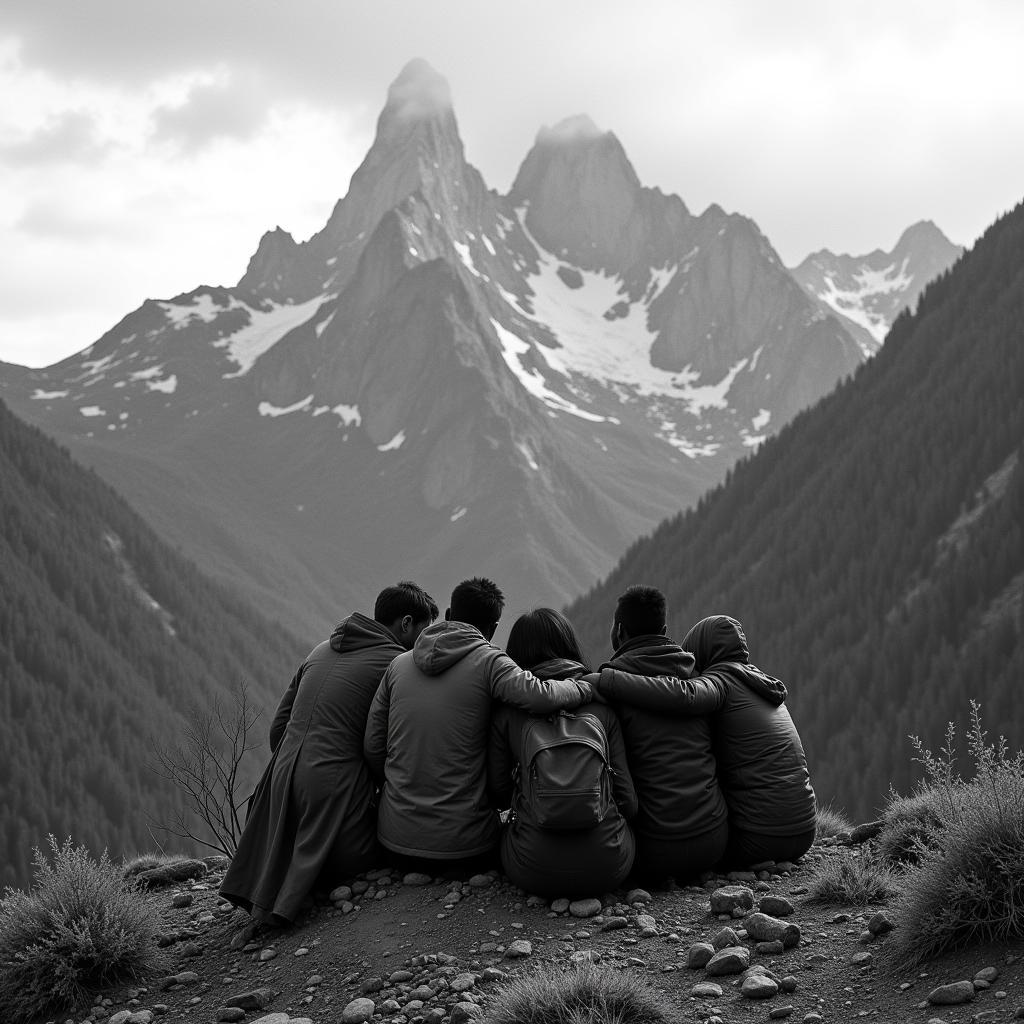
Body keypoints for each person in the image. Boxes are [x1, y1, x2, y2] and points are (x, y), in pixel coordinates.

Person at [219, 581, 439, 925]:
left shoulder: (320, 650)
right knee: (364, 857)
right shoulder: (396, 663)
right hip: (333, 781)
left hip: (280, 776)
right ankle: (292, 900)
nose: (425, 639)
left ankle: (269, 892)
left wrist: (296, 765)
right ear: (407, 623)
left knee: (294, 842)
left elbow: (279, 726)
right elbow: (383, 742)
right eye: (425, 629)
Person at [363, 578, 594, 871]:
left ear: (448, 614)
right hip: (465, 849)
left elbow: (373, 746)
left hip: (394, 843)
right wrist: (583, 688)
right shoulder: (490, 662)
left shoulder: (398, 665)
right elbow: (540, 696)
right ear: (493, 629)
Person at [489, 608, 638, 897]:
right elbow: (628, 800)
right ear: (569, 644)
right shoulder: (602, 705)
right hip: (608, 867)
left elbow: (497, 793)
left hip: (532, 868)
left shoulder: (507, 712)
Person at [592, 585, 729, 881]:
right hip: (713, 841)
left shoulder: (608, 689)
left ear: (618, 631)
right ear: (665, 629)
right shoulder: (697, 678)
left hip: (652, 850)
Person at [682, 614, 816, 866]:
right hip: (805, 830)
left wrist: (610, 680)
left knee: (690, 849)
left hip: (758, 839)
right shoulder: (760, 684)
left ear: (701, 651)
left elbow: (683, 696)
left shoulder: (719, 682)